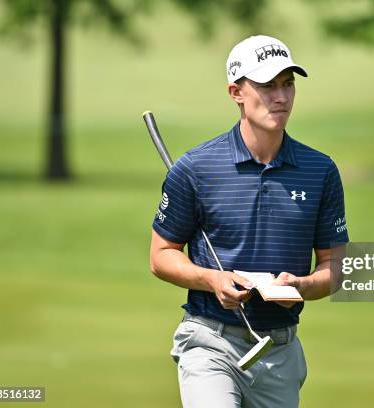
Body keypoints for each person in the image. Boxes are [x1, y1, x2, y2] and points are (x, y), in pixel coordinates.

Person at [149, 34, 349, 408]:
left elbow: (334, 267)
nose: (281, 96)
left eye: (288, 84)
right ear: (235, 92)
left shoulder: (319, 171)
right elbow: (161, 255)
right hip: (209, 340)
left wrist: (303, 286)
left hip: (280, 349)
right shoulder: (195, 168)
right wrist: (213, 279)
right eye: (267, 85)